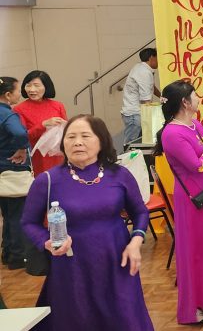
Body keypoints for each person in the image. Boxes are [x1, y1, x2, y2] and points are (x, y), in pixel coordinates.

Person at [21, 115, 153, 330]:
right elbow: (29, 222)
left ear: (101, 140)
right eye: (71, 137)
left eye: (85, 136)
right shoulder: (48, 180)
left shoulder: (120, 174)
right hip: (72, 266)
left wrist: (136, 241)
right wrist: (47, 242)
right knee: (78, 319)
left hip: (118, 261)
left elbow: (139, 212)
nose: (77, 142)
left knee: (124, 317)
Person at [155, 80, 203, 325]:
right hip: (192, 201)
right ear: (185, 102)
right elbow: (198, 165)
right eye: (195, 95)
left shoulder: (194, 124)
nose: (199, 98)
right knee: (198, 252)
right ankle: (197, 307)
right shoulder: (171, 133)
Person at [0, 77, 30, 270]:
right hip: (11, 168)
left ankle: (8, 253)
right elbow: (19, 133)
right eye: (19, 90)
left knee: (7, 214)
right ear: (8, 95)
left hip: (1, 171)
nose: (21, 94)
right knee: (17, 214)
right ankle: (18, 257)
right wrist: (21, 148)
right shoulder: (8, 115)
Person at [14, 70, 67, 177]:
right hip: (38, 157)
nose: (32, 89)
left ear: (46, 87)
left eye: (36, 85)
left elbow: (67, 132)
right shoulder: (19, 109)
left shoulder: (58, 105)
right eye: (28, 85)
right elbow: (23, 137)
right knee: (44, 182)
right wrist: (43, 125)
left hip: (60, 154)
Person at [120, 48, 159, 146]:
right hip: (135, 115)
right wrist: (152, 121)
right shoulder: (144, 72)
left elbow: (152, 87)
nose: (159, 61)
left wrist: (162, 95)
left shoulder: (140, 68)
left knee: (136, 145)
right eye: (158, 57)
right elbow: (146, 100)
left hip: (133, 113)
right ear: (151, 57)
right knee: (131, 146)